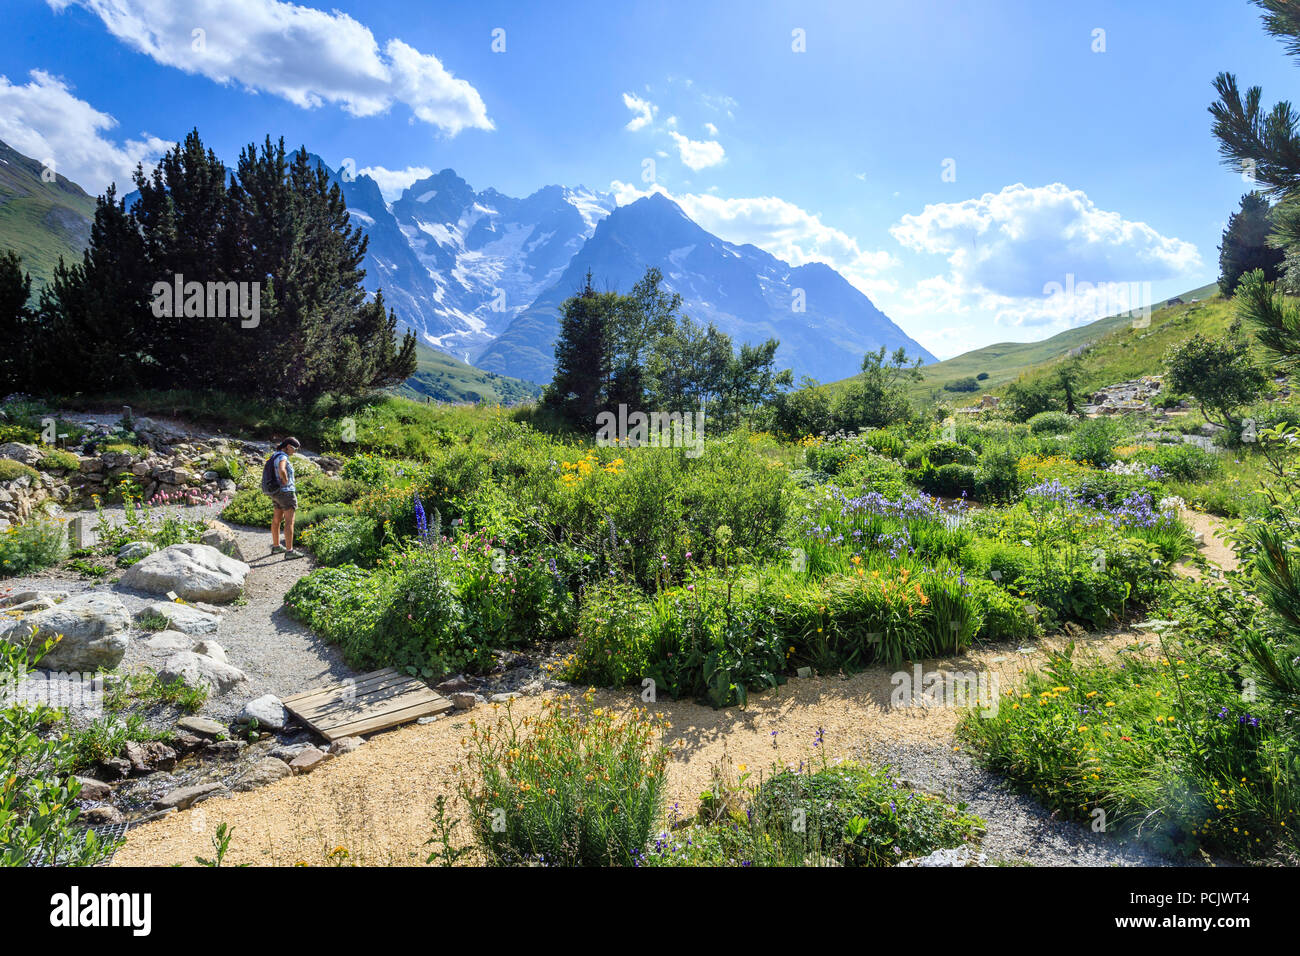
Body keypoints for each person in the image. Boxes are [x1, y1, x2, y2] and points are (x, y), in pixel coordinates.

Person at [262, 437, 303, 558]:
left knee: (277, 519)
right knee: (289, 522)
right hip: (286, 492)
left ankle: (276, 546)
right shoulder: (283, 457)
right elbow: (282, 469)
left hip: (276, 492)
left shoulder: (275, 455)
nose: (294, 452)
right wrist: (285, 480)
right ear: (288, 446)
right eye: (294, 449)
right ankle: (289, 551)